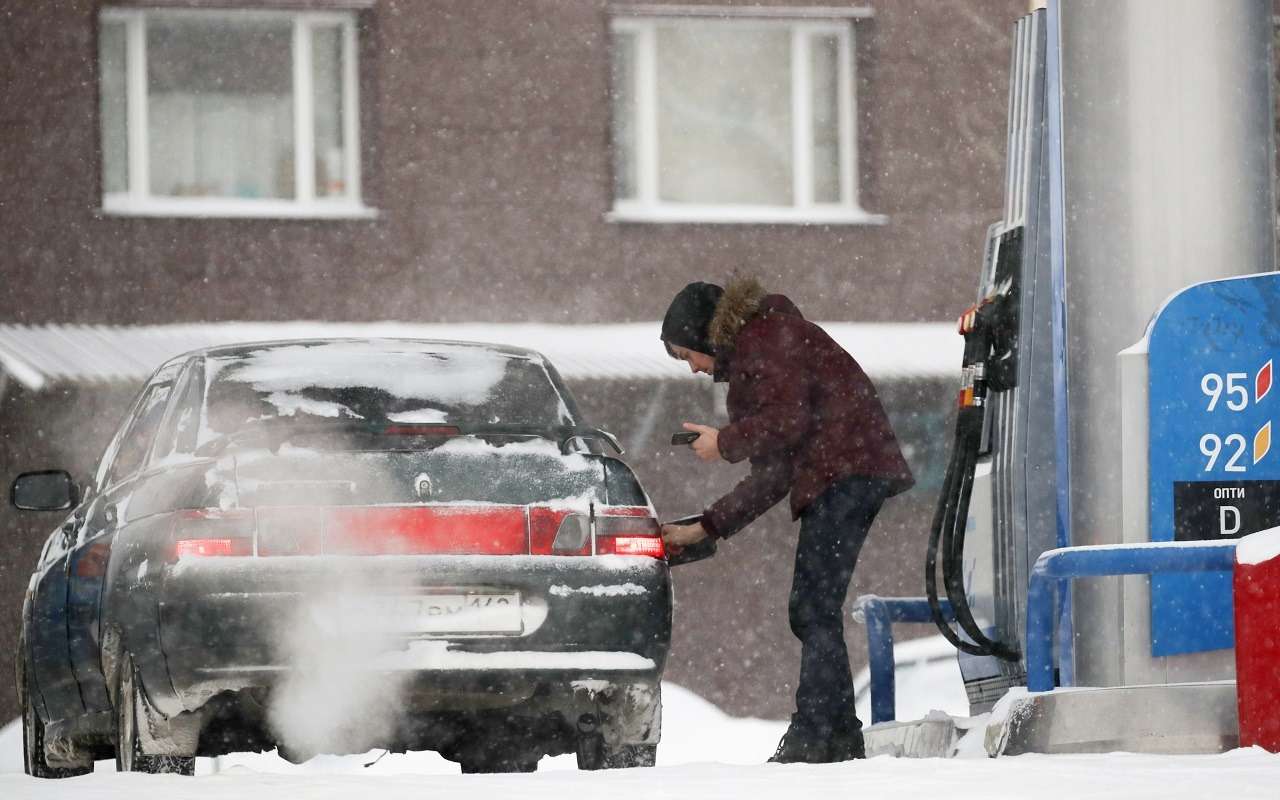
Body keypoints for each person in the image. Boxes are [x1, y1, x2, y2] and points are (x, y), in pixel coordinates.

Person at [658, 276, 914, 764]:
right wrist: (706, 526)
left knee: (813, 607)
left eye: (686, 353)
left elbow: (788, 420)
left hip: (848, 473)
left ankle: (817, 734)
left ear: (705, 334)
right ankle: (833, 735)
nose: (692, 368)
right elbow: (773, 473)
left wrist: (725, 442)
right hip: (844, 474)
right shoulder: (758, 354)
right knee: (813, 607)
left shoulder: (768, 338)